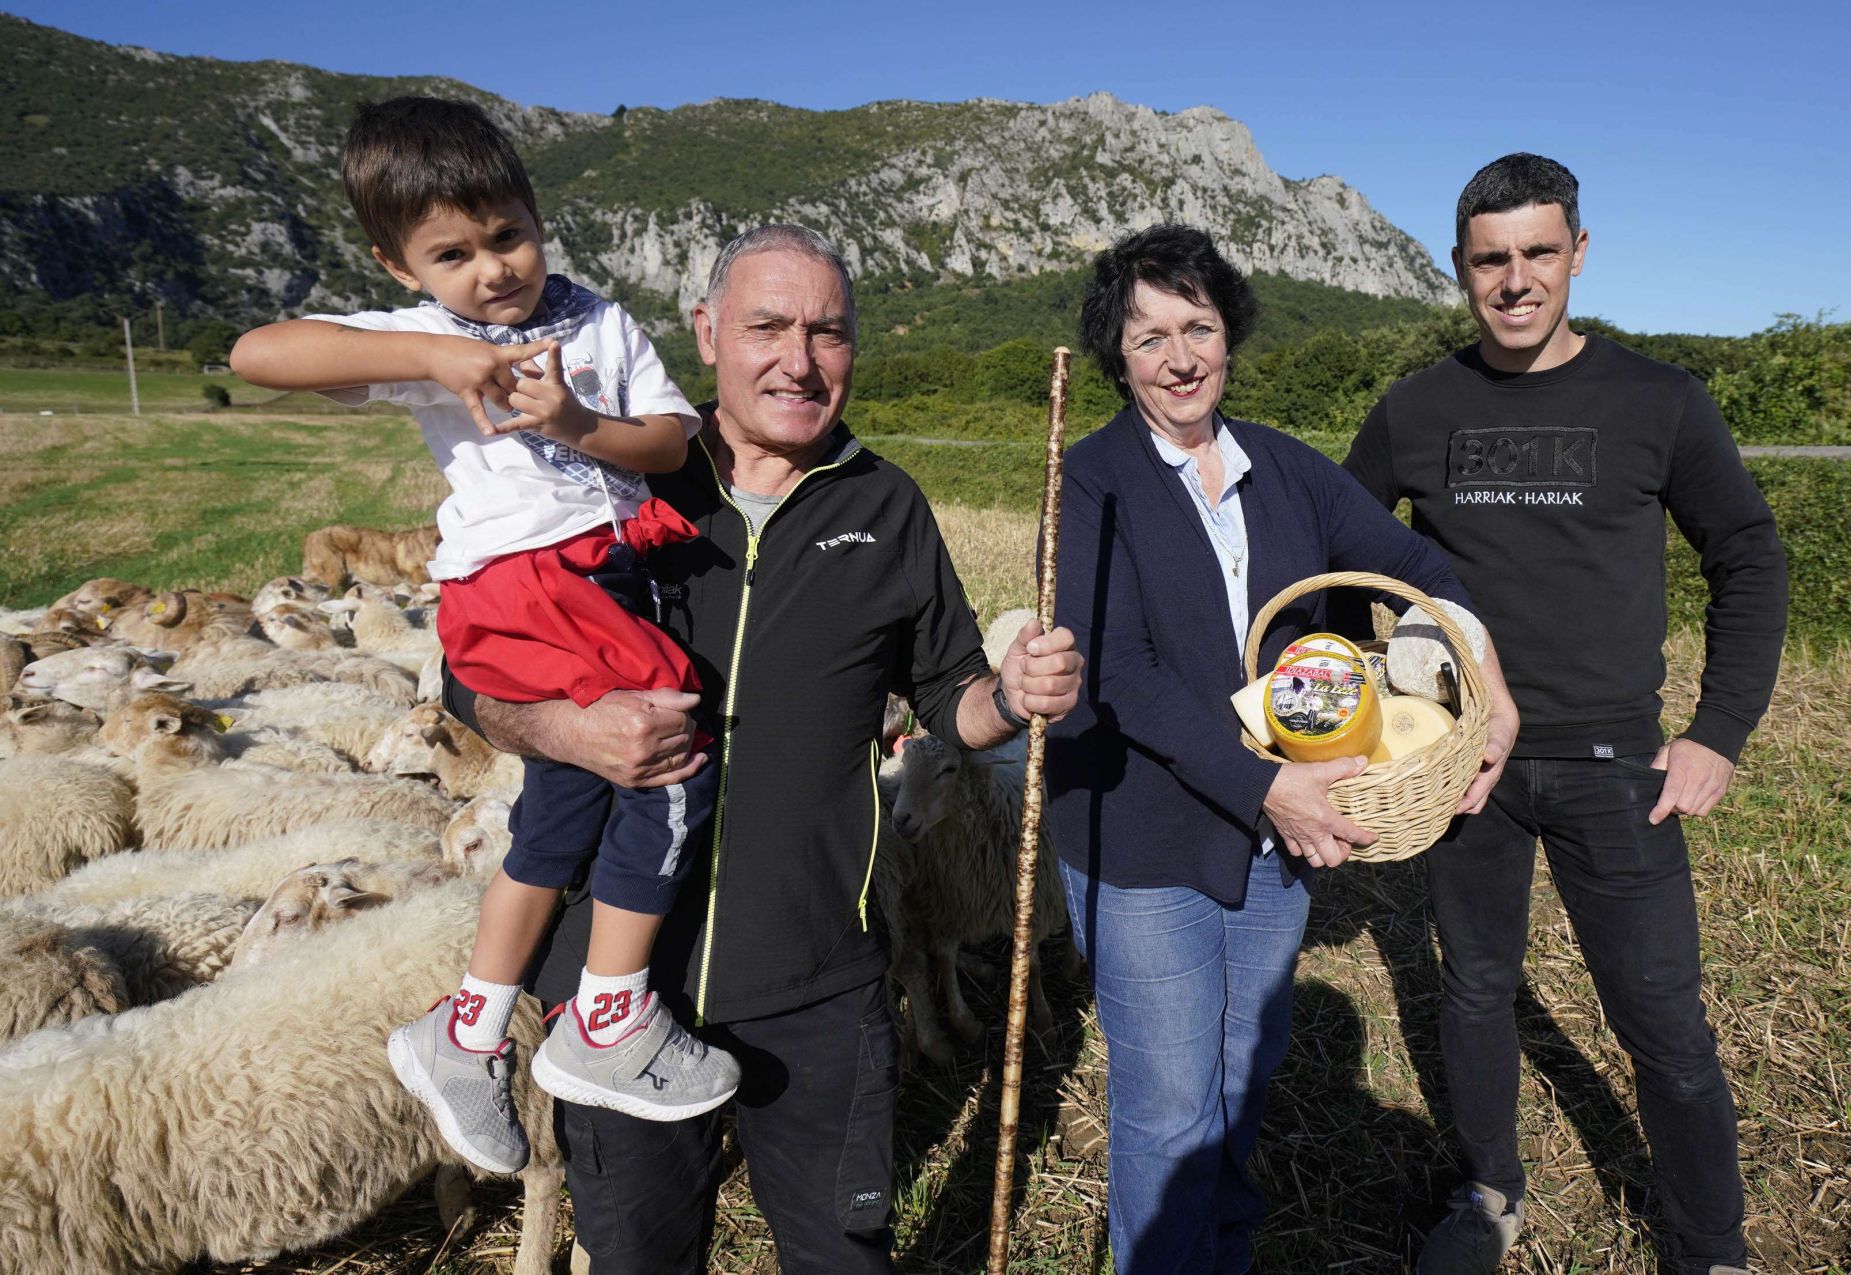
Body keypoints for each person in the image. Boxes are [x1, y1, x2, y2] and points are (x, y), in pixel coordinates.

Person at [440, 223, 1085, 1273]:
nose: (799, 359)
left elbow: (948, 696)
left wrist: (1010, 697)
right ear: (705, 335)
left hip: (821, 980)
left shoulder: (887, 507)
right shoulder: (607, 475)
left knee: (842, 1254)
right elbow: (470, 678)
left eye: (828, 332)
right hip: (621, 989)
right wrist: (562, 727)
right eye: (768, 326)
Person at [229, 96, 738, 1177]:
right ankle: (608, 1018)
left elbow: (662, 440)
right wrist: (440, 358)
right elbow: (258, 351)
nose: (491, 271)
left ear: (535, 216)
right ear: (400, 264)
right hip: (526, 585)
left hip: (600, 578)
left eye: (506, 236)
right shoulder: (430, 340)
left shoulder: (596, 321)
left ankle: (467, 1027)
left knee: (558, 805)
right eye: (451, 255)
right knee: (676, 754)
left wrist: (572, 424)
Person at [1342, 153, 1788, 1275]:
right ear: (1459, 269)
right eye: (1491, 259)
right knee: (1475, 987)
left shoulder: (1660, 401)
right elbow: (1343, 568)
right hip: (1463, 769)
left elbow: (1749, 557)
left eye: (1539, 252)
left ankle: (1710, 1247)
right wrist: (1366, 716)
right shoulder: (1415, 409)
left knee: (1664, 1025)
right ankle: (1490, 1194)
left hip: (1615, 766)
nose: (1516, 280)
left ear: (1578, 254)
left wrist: (1717, 731)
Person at [1046, 224, 1519, 1275]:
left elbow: (1411, 561)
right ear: (1117, 354)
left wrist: (1481, 674)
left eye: (1199, 327)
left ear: (1231, 334)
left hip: (1273, 853)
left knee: (1236, 1091)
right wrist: (1268, 788)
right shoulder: (1091, 484)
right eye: (1151, 334)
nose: (1180, 356)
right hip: (1147, 842)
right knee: (1169, 1117)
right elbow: (1116, 672)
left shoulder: (1286, 471)